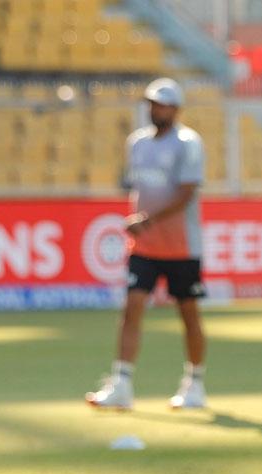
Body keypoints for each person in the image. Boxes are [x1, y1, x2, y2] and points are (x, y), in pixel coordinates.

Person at [86, 78, 208, 410]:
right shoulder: (137, 142)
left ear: (176, 109)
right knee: (132, 308)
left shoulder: (188, 143)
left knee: (188, 313)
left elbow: (185, 194)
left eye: (163, 104)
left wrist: (146, 219)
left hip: (182, 246)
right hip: (143, 246)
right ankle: (122, 383)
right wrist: (142, 222)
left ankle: (195, 383)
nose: (156, 110)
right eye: (153, 104)